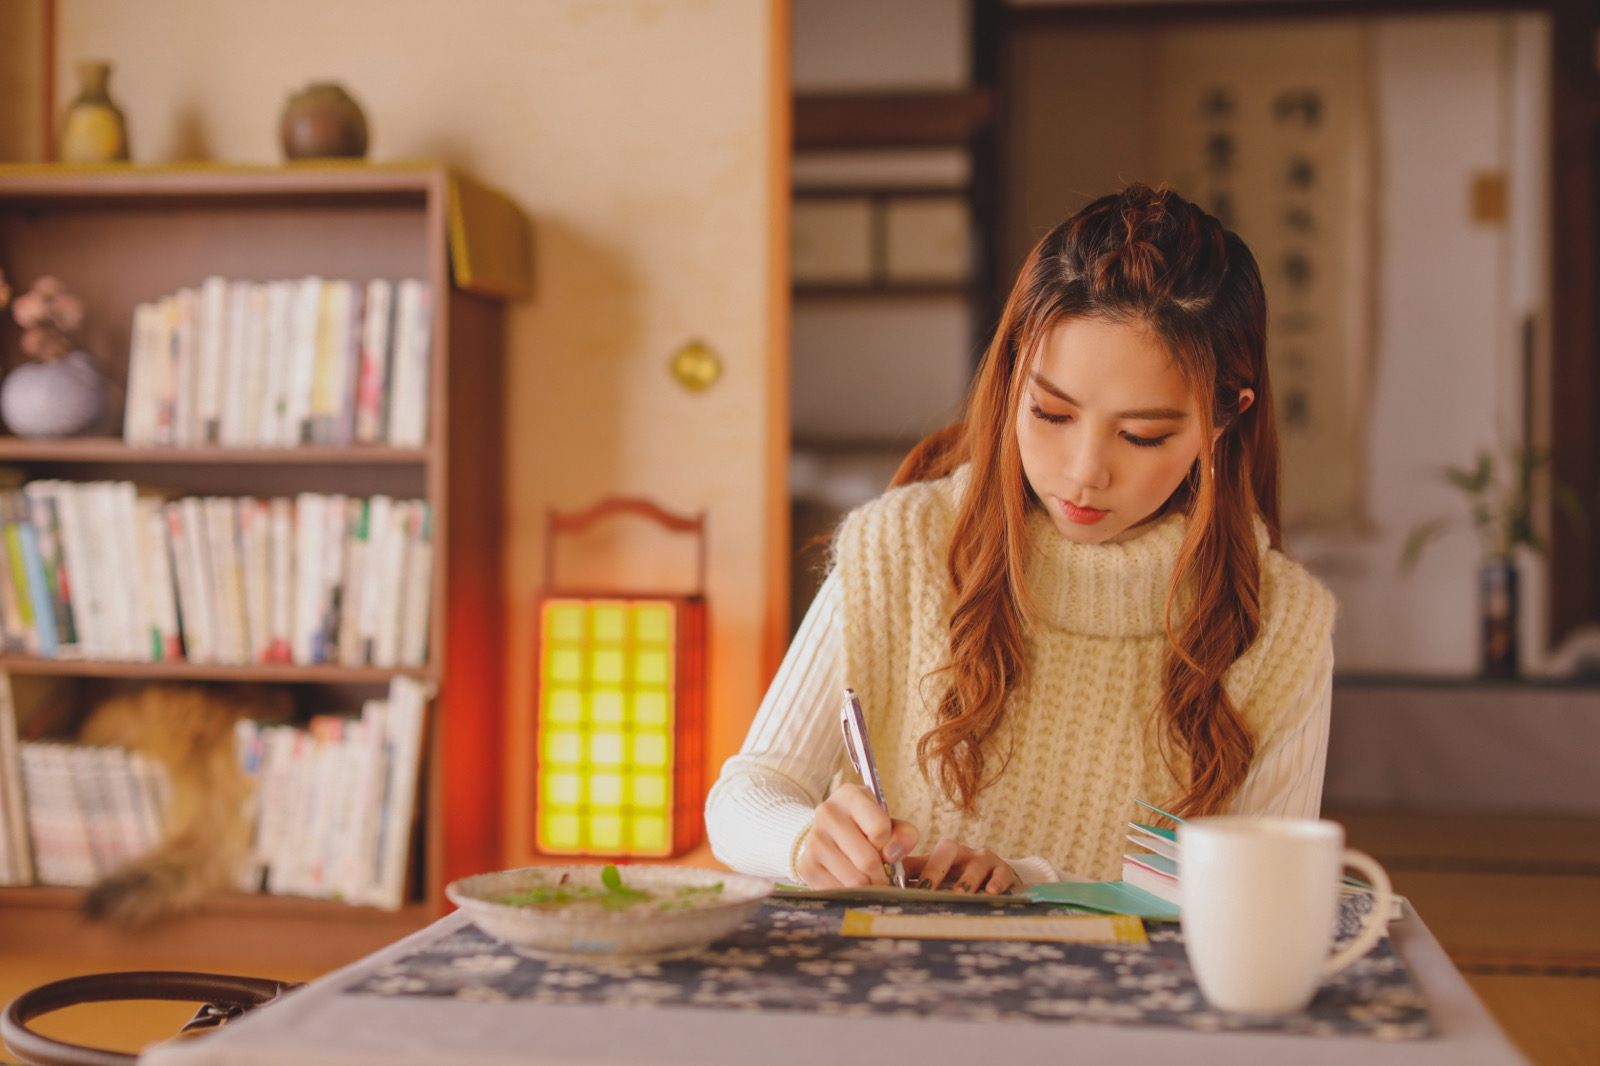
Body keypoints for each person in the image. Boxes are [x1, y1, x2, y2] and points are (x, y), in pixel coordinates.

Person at [705, 183, 1336, 895]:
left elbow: (1268, 894)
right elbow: (743, 797)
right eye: (1050, 412)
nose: (1083, 472)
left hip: (1130, 1006)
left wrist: (1038, 887)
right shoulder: (902, 547)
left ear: (1224, 418)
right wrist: (804, 840)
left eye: (1142, 435)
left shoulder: (1278, 623)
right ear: (1010, 379)